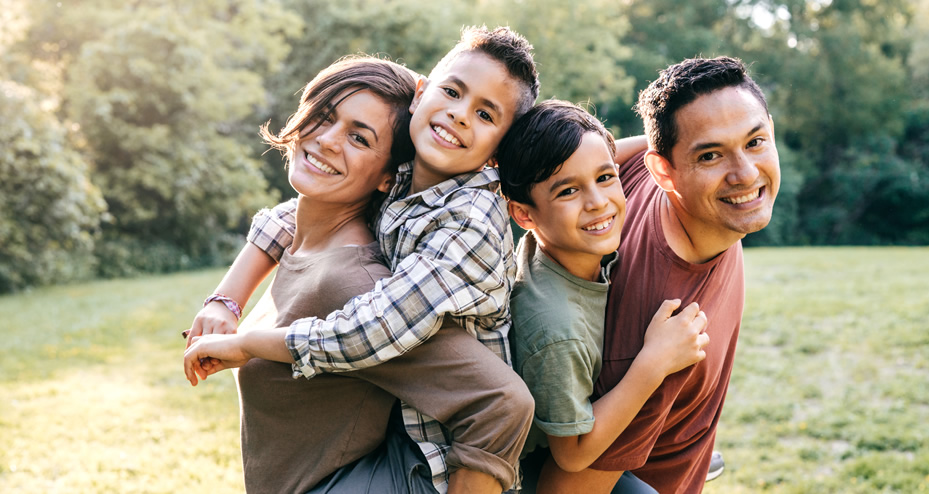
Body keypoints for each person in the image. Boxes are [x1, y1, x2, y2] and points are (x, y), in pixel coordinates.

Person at [184, 25, 541, 494]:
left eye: (359, 137)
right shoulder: (409, 188)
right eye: (451, 92)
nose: (457, 115)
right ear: (422, 95)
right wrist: (226, 301)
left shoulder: (459, 228)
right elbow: (297, 215)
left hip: (428, 465)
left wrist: (249, 343)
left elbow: (375, 332)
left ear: (498, 153)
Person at [547, 56, 780, 493]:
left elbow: (594, 155)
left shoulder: (625, 175)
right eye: (710, 155)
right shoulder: (659, 330)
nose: (745, 174)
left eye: (755, 141)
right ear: (665, 172)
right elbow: (565, 488)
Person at [494, 100, 709, 494]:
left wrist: (685, 140)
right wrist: (653, 363)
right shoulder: (556, 327)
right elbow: (571, 456)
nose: (597, 201)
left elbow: (602, 154)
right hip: (532, 474)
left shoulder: (564, 245)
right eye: (569, 191)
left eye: (606, 178)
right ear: (524, 214)